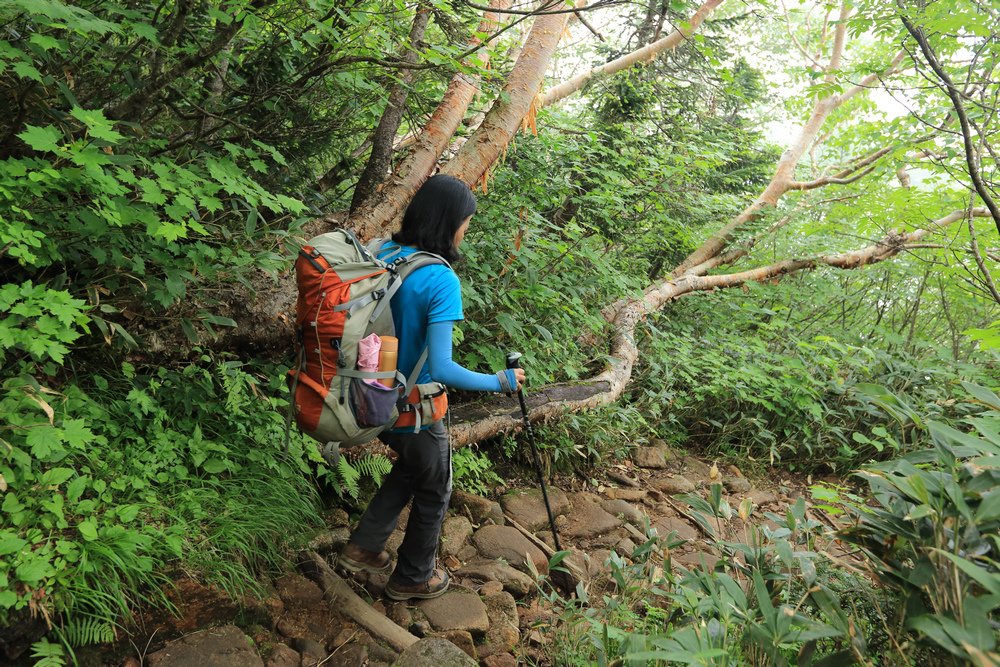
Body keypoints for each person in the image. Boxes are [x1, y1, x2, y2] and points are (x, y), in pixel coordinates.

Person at [338, 174, 526, 601]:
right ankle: (414, 577)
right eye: (466, 222)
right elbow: (441, 366)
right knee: (435, 486)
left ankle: (362, 547)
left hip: (369, 396)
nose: (466, 230)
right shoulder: (440, 280)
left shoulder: (384, 252)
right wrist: (500, 382)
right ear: (450, 222)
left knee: (411, 469)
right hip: (413, 410)